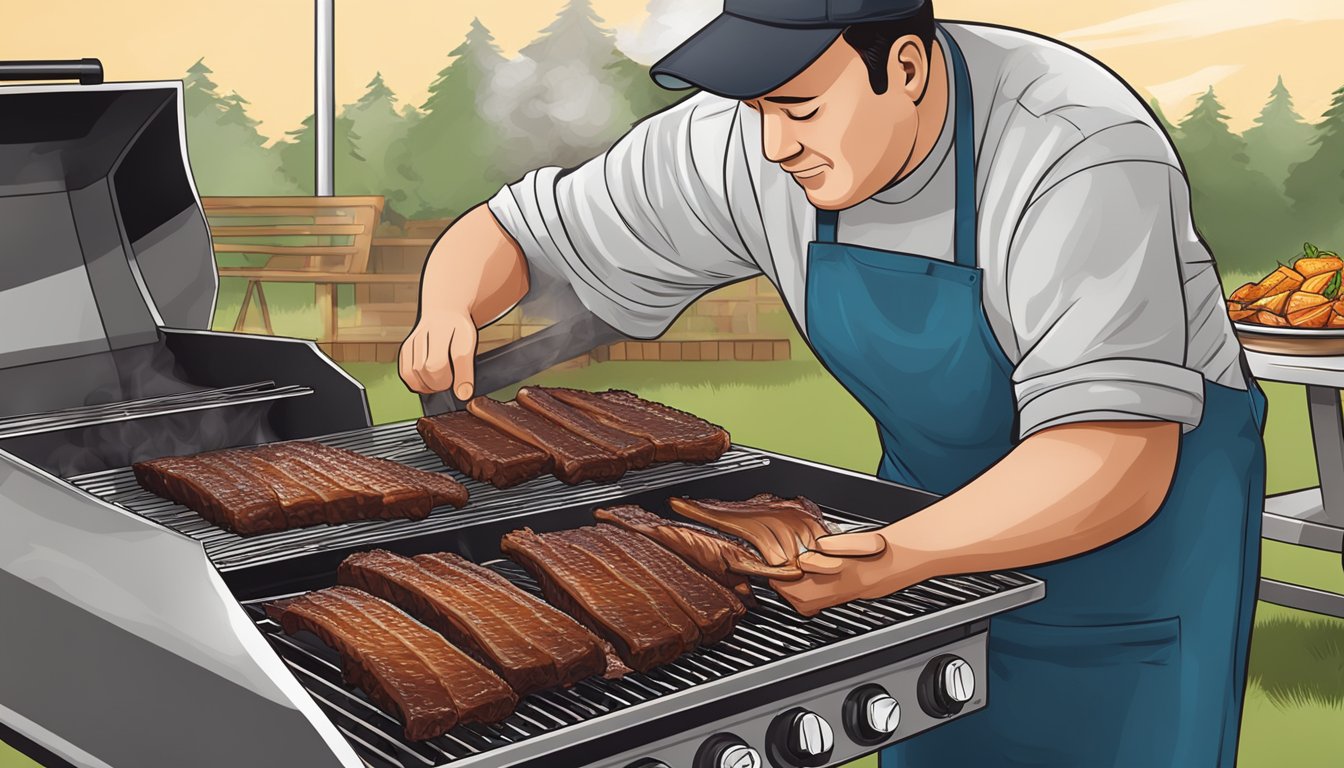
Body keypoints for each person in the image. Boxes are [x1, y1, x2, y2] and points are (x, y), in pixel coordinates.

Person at [399, 1, 1268, 764]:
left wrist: (901, 556)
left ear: (908, 66)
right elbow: (519, 232)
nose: (776, 143)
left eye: (802, 107)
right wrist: (448, 305)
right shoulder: (745, 137)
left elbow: (1114, 459)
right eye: (759, 106)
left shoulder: (1075, 147)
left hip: (1134, 562)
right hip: (923, 529)